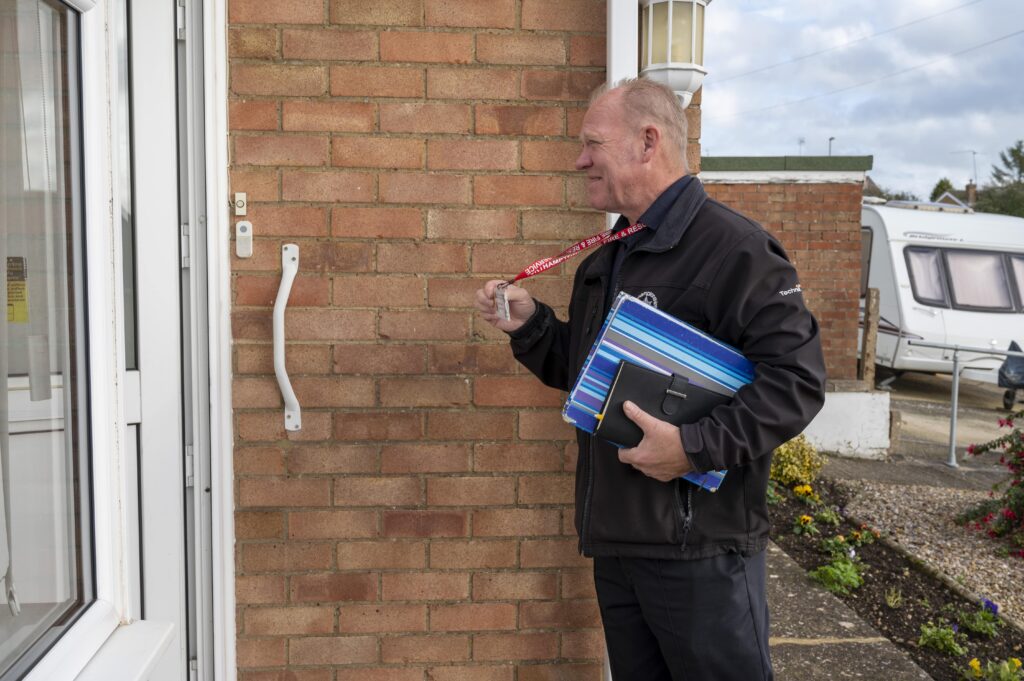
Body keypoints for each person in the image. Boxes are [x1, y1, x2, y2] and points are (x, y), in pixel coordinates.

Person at [474, 78, 827, 681]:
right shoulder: (606, 258)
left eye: (592, 143)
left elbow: (796, 382)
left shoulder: (735, 250)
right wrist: (531, 328)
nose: (579, 159)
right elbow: (589, 376)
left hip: (700, 552)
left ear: (647, 142)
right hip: (619, 543)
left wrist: (693, 448)